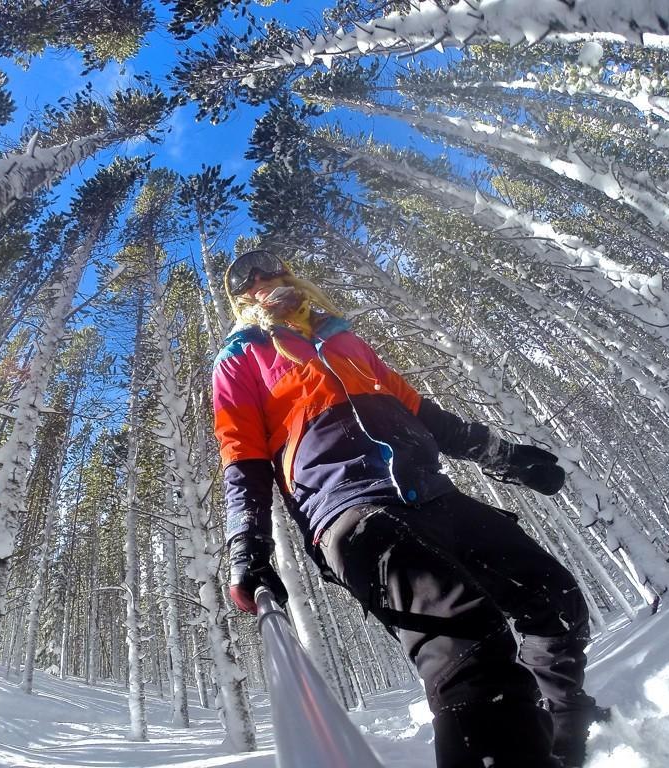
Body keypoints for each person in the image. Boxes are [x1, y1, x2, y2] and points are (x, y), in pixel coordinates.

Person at [212, 249, 604, 768]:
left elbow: (419, 411)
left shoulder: (341, 338)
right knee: (464, 636)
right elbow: (243, 456)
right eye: (247, 279)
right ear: (240, 300)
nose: (263, 279)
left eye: (270, 267)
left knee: (555, 599)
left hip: (430, 492)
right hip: (350, 511)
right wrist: (248, 544)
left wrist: (504, 456)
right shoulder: (242, 356)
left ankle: (563, 734)